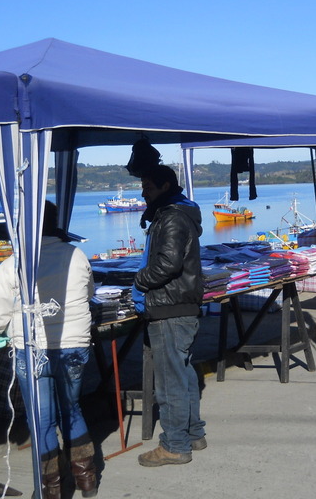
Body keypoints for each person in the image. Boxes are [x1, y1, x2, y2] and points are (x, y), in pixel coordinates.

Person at [0, 201, 98, 499]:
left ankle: (51, 490)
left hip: (34, 349)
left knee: (42, 420)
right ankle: (87, 480)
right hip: (74, 344)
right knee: (72, 410)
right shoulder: (77, 255)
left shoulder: (15, 264)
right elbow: (89, 293)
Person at [133, 164, 207, 467]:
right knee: (184, 372)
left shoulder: (172, 217)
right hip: (179, 306)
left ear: (165, 186)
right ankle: (193, 433)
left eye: (148, 186)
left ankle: (175, 444)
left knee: (169, 380)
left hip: (169, 307)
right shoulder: (176, 213)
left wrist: (140, 279)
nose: (143, 192)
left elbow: (168, 264)